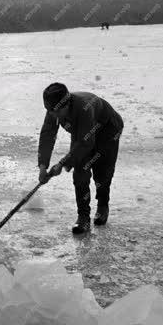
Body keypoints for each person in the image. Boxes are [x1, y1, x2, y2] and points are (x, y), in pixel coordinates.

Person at [37, 83, 124, 234]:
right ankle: (83, 217)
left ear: (66, 105)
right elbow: (47, 134)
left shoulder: (84, 108)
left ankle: (103, 206)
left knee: (102, 171)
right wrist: (43, 166)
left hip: (107, 130)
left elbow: (85, 143)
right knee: (80, 174)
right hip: (82, 133)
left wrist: (62, 163)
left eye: (56, 112)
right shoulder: (53, 109)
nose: (53, 115)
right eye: (50, 111)